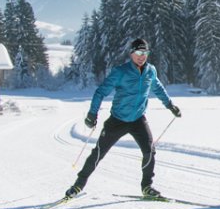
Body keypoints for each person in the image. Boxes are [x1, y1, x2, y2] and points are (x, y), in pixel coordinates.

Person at [65, 38, 181, 199]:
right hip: (117, 120)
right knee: (98, 153)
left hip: (138, 120)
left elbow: (158, 88)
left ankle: (147, 187)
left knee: (149, 151)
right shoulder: (121, 71)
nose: (142, 56)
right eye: (138, 52)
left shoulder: (150, 71)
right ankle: (78, 185)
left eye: (145, 52)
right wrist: (92, 114)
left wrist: (170, 105)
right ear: (131, 53)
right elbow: (101, 92)